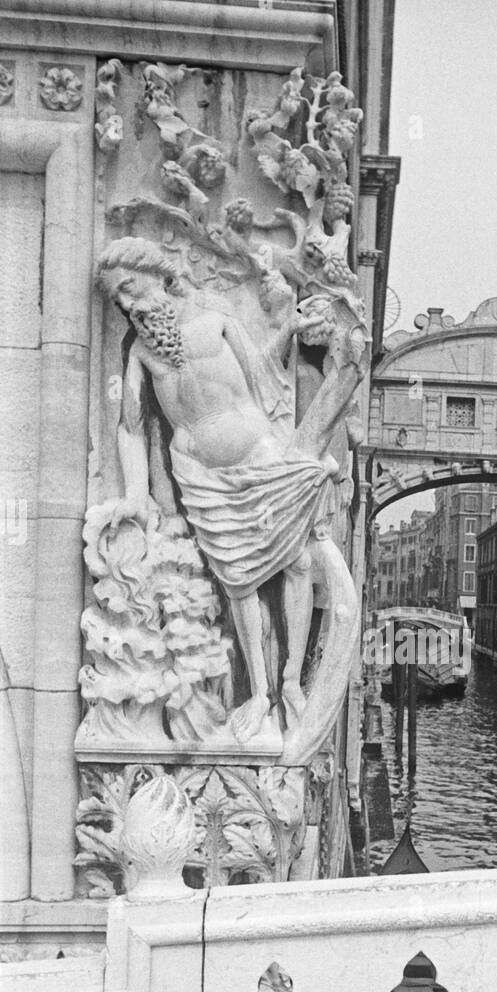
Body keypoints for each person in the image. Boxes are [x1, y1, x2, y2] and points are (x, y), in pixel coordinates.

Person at [96, 236, 366, 746]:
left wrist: (289, 328)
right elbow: (131, 425)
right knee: (238, 580)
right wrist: (136, 492)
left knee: (298, 562)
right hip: (201, 478)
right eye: (118, 301)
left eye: (130, 288)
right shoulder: (140, 352)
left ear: (160, 274)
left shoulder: (215, 317)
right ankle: (259, 693)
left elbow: (266, 377)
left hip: (258, 456)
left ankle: (289, 682)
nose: (128, 305)